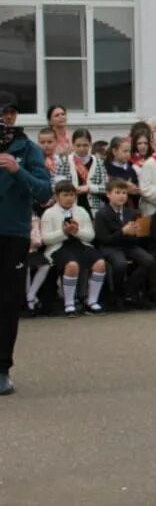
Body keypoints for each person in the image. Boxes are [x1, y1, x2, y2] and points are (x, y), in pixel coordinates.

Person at [1, 117, 52, 395]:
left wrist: (16, 169)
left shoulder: (28, 149)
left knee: (8, 303)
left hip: (13, 233)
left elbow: (44, 192)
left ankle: (2, 369)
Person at [40, 180, 108, 316]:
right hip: (58, 248)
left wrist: (77, 232)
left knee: (100, 264)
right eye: (65, 195)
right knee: (72, 265)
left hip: (80, 244)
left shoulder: (81, 211)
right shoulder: (49, 213)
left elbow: (90, 236)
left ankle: (92, 301)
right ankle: (69, 304)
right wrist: (64, 233)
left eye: (72, 195)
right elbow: (46, 239)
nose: (69, 198)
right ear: (57, 196)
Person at [95, 179, 156, 309]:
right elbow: (103, 239)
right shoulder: (101, 214)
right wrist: (123, 232)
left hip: (129, 245)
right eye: (117, 192)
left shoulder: (131, 212)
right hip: (110, 247)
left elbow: (138, 239)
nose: (121, 196)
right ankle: (117, 295)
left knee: (150, 261)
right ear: (108, 194)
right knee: (120, 264)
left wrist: (137, 233)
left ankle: (129, 289)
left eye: (124, 193)